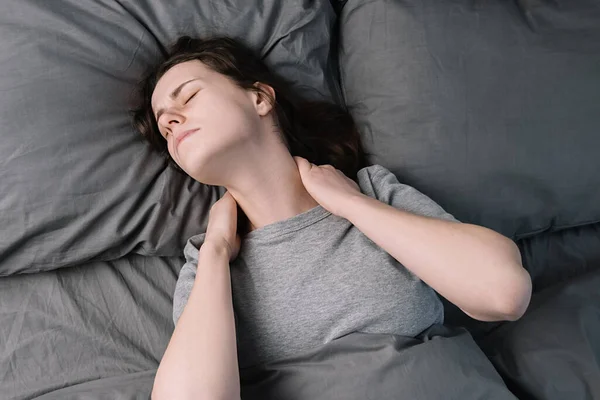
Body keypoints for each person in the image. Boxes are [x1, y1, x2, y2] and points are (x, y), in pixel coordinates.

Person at [130, 35, 532, 400]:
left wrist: (350, 204)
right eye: (164, 127)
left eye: (188, 97)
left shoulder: (373, 193)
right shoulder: (206, 264)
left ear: (259, 98)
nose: (171, 121)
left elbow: (504, 291)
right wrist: (217, 250)